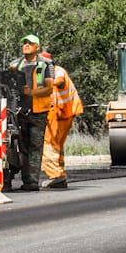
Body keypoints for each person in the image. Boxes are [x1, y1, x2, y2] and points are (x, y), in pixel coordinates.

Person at [6, 34, 55, 191]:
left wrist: (32, 92)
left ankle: (32, 181)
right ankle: (23, 178)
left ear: (37, 47)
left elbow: (49, 88)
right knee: (22, 146)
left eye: (30, 43)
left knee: (35, 146)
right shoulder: (15, 65)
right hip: (19, 111)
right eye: (24, 43)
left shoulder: (46, 65)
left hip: (38, 111)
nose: (26, 45)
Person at [40, 52, 83, 189]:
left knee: (48, 145)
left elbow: (59, 80)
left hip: (60, 113)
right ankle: (60, 175)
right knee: (57, 146)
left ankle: (55, 175)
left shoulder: (58, 71)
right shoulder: (49, 73)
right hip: (63, 113)